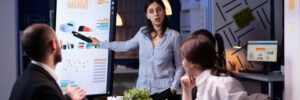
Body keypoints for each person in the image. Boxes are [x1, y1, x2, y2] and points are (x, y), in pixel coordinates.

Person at [88, 0, 184, 99]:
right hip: (143, 91)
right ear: (147, 15)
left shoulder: (174, 36)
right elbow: (124, 46)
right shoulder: (142, 33)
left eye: (159, 10)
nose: (156, 14)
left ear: (164, 11)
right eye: (151, 11)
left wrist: (174, 88)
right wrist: (100, 43)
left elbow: (180, 65)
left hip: (165, 90)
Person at [10, 24, 87, 100]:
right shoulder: (45, 89)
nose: (61, 45)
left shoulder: (25, 78)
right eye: (58, 41)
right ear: (52, 44)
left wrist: (70, 98)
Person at [180, 29, 249, 100]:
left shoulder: (223, 84)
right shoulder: (202, 83)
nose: (182, 63)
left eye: (184, 58)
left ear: (194, 64)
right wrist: (187, 90)